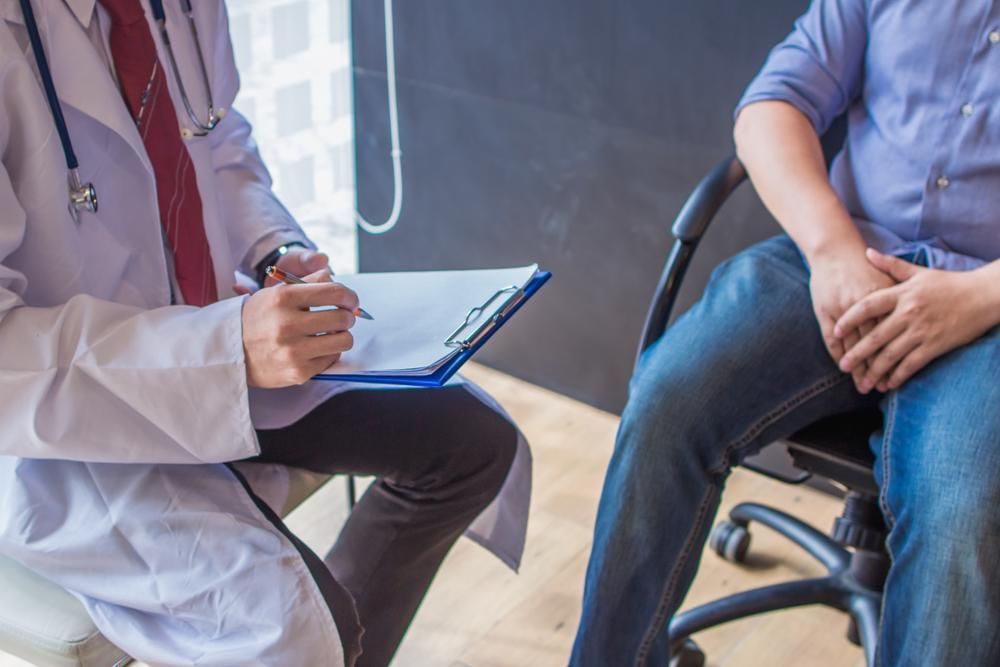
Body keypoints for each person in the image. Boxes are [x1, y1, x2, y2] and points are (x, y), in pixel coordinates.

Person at [0, 1, 531, 665]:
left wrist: (272, 248)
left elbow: (216, 139)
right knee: (298, 625)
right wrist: (219, 351)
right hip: (60, 435)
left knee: (473, 441)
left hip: (211, 333)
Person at [571, 1, 1000, 665]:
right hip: (843, 254)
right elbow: (773, 105)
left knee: (962, 512)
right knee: (668, 399)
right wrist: (831, 250)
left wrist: (977, 296)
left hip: (987, 308)